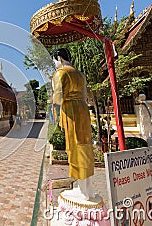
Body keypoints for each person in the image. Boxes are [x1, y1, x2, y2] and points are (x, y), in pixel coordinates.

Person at [52, 48, 95, 200]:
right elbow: (86, 95)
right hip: (83, 111)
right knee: (85, 147)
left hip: (71, 112)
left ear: (60, 59)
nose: (54, 64)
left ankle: (83, 192)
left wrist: (55, 119)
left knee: (75, 148)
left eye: (55, 61)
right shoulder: (81, 75)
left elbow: (57, 99)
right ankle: (88, 188)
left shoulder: (61, 73)